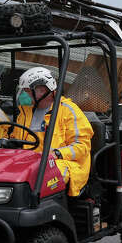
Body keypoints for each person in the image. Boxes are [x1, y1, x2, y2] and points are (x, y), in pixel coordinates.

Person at [12, 66, 93, 197]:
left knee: (40, 179)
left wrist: (56, 154)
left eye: (28, 91)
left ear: (43, 90)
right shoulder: (25, 112)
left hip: (66, 164)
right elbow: (17, 137)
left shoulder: (68, 110)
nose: (25, 95)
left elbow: (82, 147)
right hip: (33, 164)